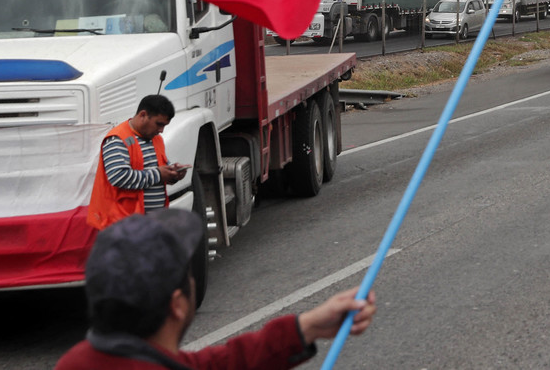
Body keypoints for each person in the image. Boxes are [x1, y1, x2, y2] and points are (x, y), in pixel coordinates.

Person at [56, 209, 377, 369]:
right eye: (188, 275)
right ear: (177, 304)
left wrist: (305, 327)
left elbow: (212, 364)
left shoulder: (77, 361)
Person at [88, 95, 188, 230]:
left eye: (164, 125)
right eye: (159, 124)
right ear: (143, 115)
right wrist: (159, 174)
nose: (161, 130)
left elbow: (158, 171)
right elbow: (118, 177)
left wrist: (173, 174)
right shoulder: (118, 139)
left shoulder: (156, 139)